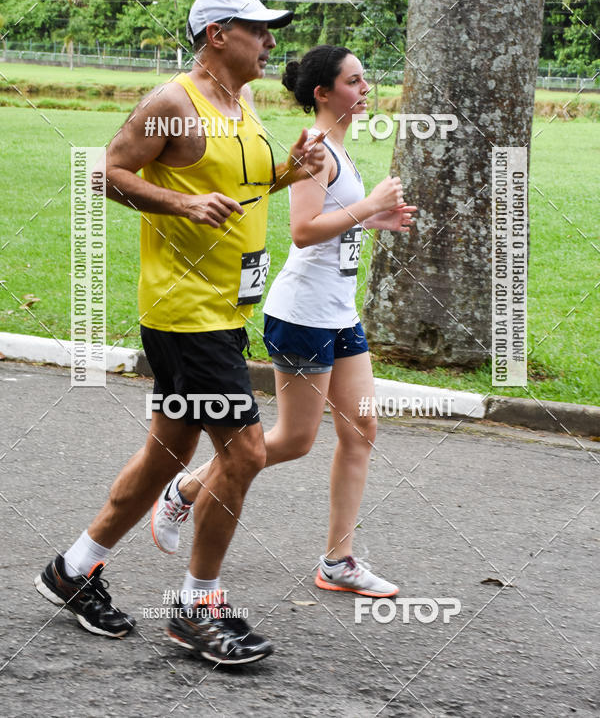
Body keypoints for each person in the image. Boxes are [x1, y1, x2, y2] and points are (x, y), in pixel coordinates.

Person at [34, 0, 326, 665]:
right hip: (186, 314)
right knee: (245, 453)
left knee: (166, 456)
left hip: (226, 308)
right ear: (218, 34)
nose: (271, 44)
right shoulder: (175, 102)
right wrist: (180, 203)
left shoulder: (242, 105)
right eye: (258, 31)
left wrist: (292, 169)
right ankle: (196, 608)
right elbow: (107, 173)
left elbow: (243, 190)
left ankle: (72, 570)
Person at [151, 44, 416, 598]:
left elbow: (333, 222)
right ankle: (186, 489)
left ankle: (338, 562)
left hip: (338, 311)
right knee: (294, 440)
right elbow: (302, 231)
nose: (365, 88)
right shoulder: (316, 148)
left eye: (364, 79)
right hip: (302, 316)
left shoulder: (340, 146)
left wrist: (373, 220)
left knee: (361, 428)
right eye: (353, 81)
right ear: (323, 93)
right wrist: (369, 206)